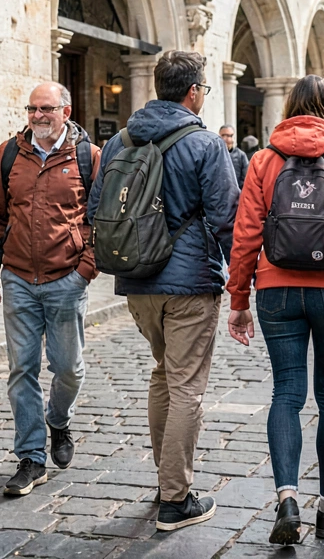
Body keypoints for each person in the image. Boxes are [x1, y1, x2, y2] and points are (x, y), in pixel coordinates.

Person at [226, 75, 324, 544]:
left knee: (286, 394)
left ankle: (287, 501)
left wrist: (239, 300)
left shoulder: (263, 160)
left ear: (290, 107)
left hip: (276, 288)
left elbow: (246, 235)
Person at [88, 51, 239, 531]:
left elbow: (98, 208)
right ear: (193, 91)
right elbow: (226, 218)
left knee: (162, 375)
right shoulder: (204, 143)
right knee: (187, 385)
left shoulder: (118, 142)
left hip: (137, 281)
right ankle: (176, 499)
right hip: (190, 283)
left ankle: (165, 480)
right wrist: (243, 282)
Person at [0, 83, 101, 496]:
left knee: (68, 368)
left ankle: (59, 420)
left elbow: (102, 217)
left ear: (66, 110)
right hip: (17, 277)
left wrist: (86, 266)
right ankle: (30, 457)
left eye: (46, 108)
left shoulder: (88, 156)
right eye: (31, 108)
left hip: (67, 278)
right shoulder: (10, 153)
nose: (37, 115)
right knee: (21, 369)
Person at [218, 124, 248, 190]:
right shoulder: (213, 154)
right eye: (223, 135)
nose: (226, 139)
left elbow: (246, 178)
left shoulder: (241, 155)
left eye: (230, 136)